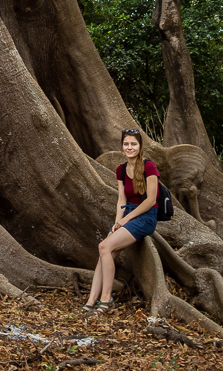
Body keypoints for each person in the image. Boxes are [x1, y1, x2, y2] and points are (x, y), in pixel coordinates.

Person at [81, 128, 160, 315]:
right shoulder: (121, 170)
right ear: (122, 146)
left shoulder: (149, 166)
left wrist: (127, 219)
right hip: (128, 215)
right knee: (105, 252)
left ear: (140, 146)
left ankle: (106, 299)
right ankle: (92, 300)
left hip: (145, 217)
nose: (129, 147)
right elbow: (121, 201)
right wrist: (117, 223)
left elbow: (151, 200)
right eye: (126, 144)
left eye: (133, 144)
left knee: (104, 247)